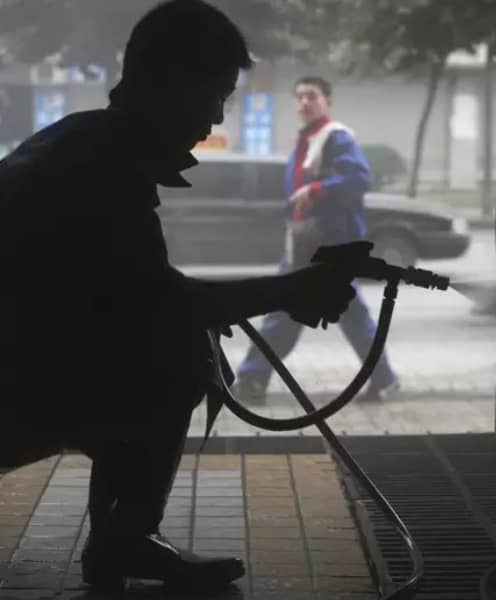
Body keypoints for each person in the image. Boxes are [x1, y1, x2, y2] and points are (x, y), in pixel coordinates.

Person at [0, 0, 356, 591]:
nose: (214, 119)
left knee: (171, 340)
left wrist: (281, 293)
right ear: (170, 86)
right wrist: (290, 291)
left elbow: (134, 297)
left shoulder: (85, 145)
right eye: (213, 95)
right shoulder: (99, 165)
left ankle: (123, 540)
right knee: (175, 354)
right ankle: (125, 541)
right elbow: (155, 305)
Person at [231, 76, 399, 404]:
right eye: (299, 97)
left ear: (328, 100)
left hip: (332, 247)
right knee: (294, 313)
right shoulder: (306, 140)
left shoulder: (335, 138)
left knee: (298, 313)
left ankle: (252, 380)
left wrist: (316, 189)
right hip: (307, 245)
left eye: (312, 96)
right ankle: (384, 378)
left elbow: (358, 178)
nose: (304, 102)